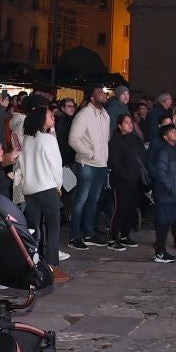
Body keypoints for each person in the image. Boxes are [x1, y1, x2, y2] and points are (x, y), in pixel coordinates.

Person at [18, 104, 66, 265]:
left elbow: (22, 165)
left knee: (34, 228)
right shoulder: (48, 139)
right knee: (53, 227)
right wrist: (59, 186)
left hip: (30, 190)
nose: (53, 116)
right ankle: (52, 264)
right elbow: (56, 166)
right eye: (49, 115)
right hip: (47, 188)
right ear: (41, 119)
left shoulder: (27, 139)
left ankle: (33, 261)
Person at [67, 85, 112, 250]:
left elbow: (106, 139)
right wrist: (90, 154)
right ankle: (74, 236)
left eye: (104, 92)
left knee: (93, 200)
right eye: (99, 93)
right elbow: (73, 140)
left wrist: (102, 157)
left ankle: (88, 233)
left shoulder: (105, 115)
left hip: (101, 164)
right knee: (80, 200)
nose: (104, 95)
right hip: (87, 164)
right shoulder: (84, 114)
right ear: (92, 98)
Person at [146, 120, 176, 263]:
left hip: (175, 194)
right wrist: (171, 188)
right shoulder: (164, 151)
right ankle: (160, 252)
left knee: (168, 222)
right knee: (163, 223)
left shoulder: (175, 150)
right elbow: (161, 174)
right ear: (165, 137)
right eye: (172, 132)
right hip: (166, 194)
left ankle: (162, 251)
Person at [108, 112, 147, 251]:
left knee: (131, 209)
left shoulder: (136, 140)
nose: (130, 125)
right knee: (121, 209)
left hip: (136, 181)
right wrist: (125, 175)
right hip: (122, 182)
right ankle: (113, 238)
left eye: (131, 122)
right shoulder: (116, 141)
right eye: (126, 122)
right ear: (119, 125)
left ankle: (125, 235)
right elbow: (114, 162)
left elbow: (143, 158)